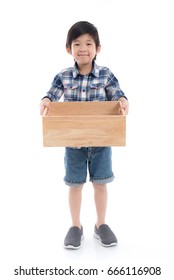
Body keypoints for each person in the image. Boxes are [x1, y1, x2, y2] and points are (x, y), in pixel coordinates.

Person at [40, 21, 129, 249]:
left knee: (101, 184)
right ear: (68, 49)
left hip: (101, 141)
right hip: (74, 143)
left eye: (88, 43)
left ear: (97, 48)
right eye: (77, 43)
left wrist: (123, 102)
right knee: (75, 184)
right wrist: (46, 101)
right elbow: (51, 94)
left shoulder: (105, 75)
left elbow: (118, 94)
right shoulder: (64, 76)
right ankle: (76, 226)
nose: (83, 48)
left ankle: (100, 224)